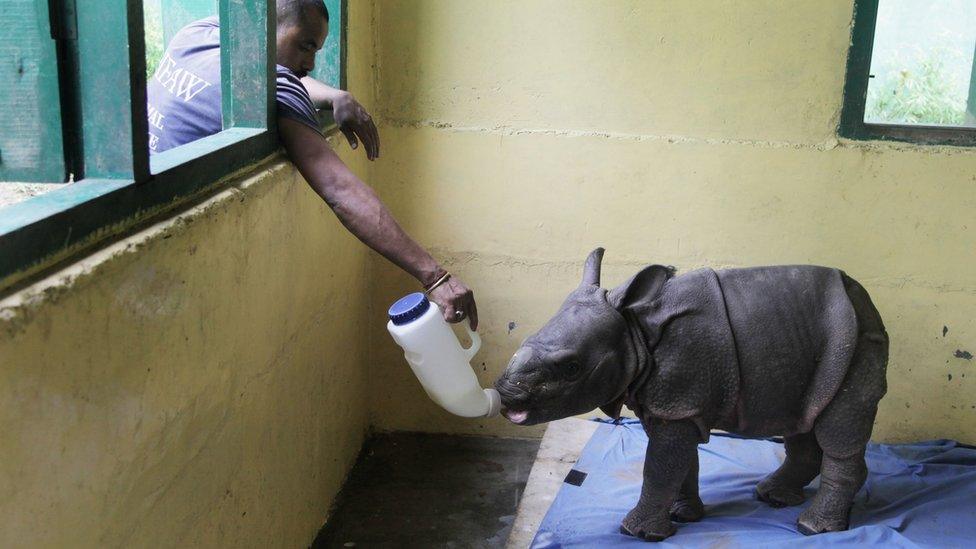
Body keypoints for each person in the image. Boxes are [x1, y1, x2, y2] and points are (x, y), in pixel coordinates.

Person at [146, 0, 478, 328]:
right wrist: (435, 277)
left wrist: (336, 95)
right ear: (269, 28)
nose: (310, 62)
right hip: (162, 260)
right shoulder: (281, 89)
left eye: (317, 51)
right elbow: (340, 190)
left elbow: (284, 74)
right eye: (305, 46)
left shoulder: (199, 33)